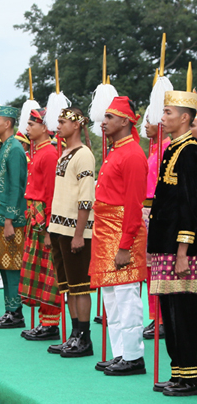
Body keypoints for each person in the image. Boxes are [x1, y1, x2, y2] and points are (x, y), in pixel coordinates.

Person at [90, 96, 148, 376]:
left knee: (126, 298)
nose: (104, 122)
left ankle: (134, 356)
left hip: (123, 233)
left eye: (110, 117)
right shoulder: (116, 151)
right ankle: (120, 353)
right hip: (106, 232)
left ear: (125, 121)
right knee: (111, 298)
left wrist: (125, 246)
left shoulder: (134, 154)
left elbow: (134, 205)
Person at [148, 89, 197, 396]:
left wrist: (183, 251)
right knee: (170, 311)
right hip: (164, 245)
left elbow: (190, 206)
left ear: (185, 118)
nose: (162, 117)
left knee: (184, 312)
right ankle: (178, 372)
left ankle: (191, 375)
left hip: (180, 249)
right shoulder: (170, 149)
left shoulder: (191, 152)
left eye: (168, 113)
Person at [47, 107, 96, 357]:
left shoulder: (84, 155)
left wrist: (79, 233)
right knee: (67, 286)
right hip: (59, 228)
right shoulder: (64, 152)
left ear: (76, 125)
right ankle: (74, 334)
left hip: (74, 230)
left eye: (63, 121)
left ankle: (84, 338)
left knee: (80, 286)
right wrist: (51, 229)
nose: (58, 125)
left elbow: (86, 198)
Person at [18, 108, 62, 341]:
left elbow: (51, 194)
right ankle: (45, 322)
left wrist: (47, 228)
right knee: (39, 271)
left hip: (42, 221)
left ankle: (50, 324)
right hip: (34, 218)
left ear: (44, 128)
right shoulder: (40, 152)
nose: (27, 129)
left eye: (31, 124)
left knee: (48, 272)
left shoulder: (49, 154)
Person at [0, 105, 28, 328]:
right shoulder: (5, 147)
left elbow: (17, 187)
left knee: (12, 265)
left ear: (8, 124)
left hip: (11, 220)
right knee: (3, 264)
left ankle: (16, 313)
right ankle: (10, 310)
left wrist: (9, 219)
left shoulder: (15, 149)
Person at [142, 119, 170, 339]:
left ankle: (162, 319)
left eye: (150, 121)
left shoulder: (167, 146)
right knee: (151, 268)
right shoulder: (154, 148)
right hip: (147, 209)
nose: (146, 125)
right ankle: (156, 317)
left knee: (159, 267)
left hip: (158, 209)